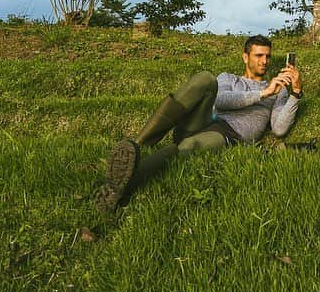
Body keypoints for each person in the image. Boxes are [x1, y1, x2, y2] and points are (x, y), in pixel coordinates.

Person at [96, 34, 302, 213]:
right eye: (259, 55)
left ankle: (122, 185)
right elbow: (220, 100)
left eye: (268, 56)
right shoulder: (229, 79)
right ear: (245, 57)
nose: (264, 61)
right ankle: (137, 145)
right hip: (205, 120)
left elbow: (280, 129)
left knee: (188, 147)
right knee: (205, 78)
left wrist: (295, 93)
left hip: (228, 134)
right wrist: (261, 93)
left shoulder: (277, 91)